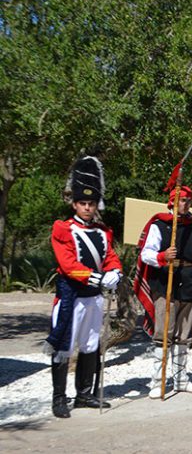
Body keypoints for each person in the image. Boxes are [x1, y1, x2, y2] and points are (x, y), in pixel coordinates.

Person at [46, 156, 122, 418]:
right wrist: (98, 278)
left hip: (94, 297)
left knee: (90, 344)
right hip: (72, 296)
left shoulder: (103, 232)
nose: (87, 208)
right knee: (64, 346)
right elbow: (68, 265)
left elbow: (110, 255)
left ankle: (84, 394)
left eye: (91, 204)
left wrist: (115, 271)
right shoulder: (63, 229)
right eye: (83, 203)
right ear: (75, 204)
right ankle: (58, 399)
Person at [134, 185, 192, 398]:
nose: (184, 204)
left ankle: (181, 379)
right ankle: (158, 381)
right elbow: (146, 253)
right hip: (165, 282)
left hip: (188, 281)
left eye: (187, 200)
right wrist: (163, 256)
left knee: (184, 334)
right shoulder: (160, 225)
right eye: (180, 201)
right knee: (163, 333)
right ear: (171, 202)